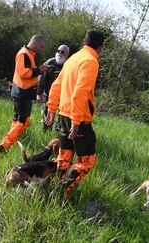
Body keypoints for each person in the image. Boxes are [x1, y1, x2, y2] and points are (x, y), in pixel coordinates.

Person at [45, 29, 104, 198]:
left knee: (64, 155)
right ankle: (60, 192)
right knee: (87, 162)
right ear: (101, 47)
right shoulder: (90, 61)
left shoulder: (73, 58)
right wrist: (77, 121)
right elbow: (80, 91)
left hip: (64, 114)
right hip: (78, 119)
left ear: (84, 42)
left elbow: (57, 84)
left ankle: (52, 186)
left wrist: (51, 108)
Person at [0, 35, 51, 154]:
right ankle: (4, 145)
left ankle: (12, 140)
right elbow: (24, 73)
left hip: (21, 92)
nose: (41, 49)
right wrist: (39, 70)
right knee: (22, 121)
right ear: (35, 43)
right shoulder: (24, 54)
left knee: (18, 120)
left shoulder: (28, 54)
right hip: (22, 93)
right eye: (41, 47)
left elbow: (27, 71)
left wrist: (38, 69)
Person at [36, 44, 70, 131]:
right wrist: (39, 94)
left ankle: (58, 135)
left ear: (67, 54)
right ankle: (46, 132)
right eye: (58, 51)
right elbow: (41, 79)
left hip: (64, 98)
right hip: (50, 95)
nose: (59, 53)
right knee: (48, 116)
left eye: (62, 52)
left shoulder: (69, 65)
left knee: (61, 119)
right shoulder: (50, 62)